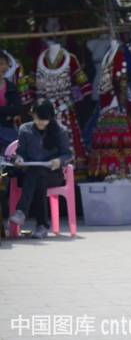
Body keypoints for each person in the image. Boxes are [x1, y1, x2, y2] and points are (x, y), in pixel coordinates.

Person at [8, 100, 73, 238]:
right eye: (38, 119)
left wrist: (59, 161)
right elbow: (21, 153)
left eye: (45, 120)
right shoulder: (25, 129)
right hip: (31, 173)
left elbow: (68, 154)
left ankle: (21, 211)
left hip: (53, 174)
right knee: (37, 174)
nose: (41, 123)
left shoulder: (59, 131)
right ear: (33, 114)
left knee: (39, 174)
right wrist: (19, 159)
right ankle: (41, 226)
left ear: (51, 118)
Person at [0, 51, 21, 151]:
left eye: (5, 64)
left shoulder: (10, 87)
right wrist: (7, 111)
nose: (4, 67)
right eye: (0, 64)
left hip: (6, 128)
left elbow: (17, 108)